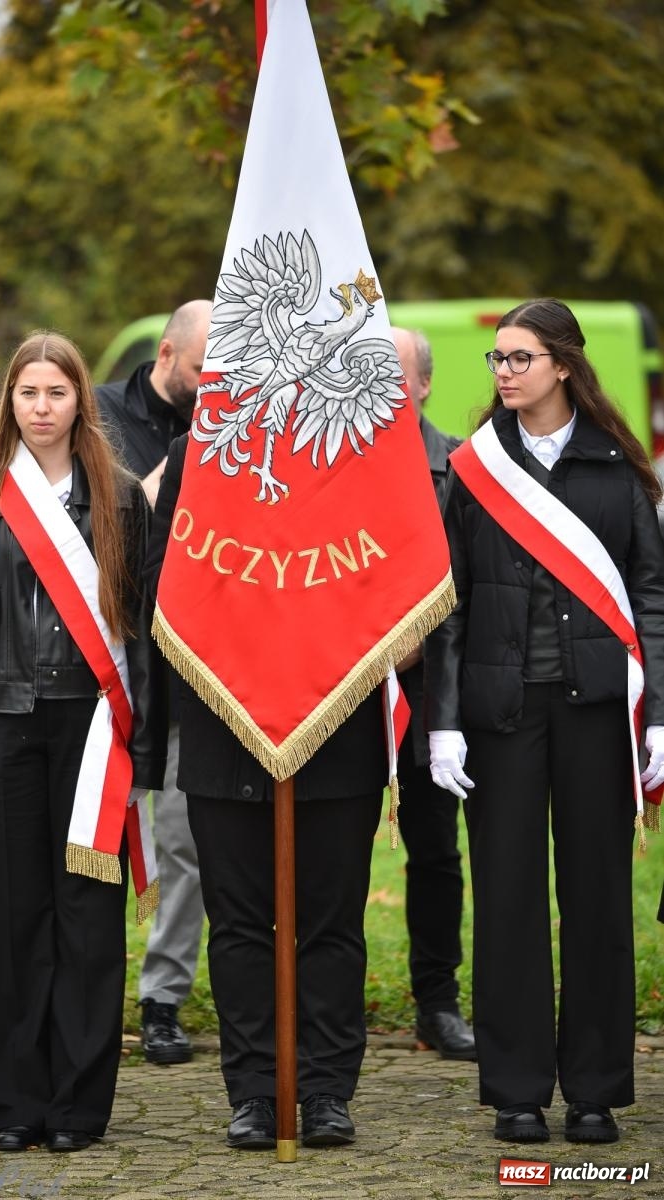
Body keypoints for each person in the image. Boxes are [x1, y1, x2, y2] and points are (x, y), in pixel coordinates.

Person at [424, 298, 664, 1145]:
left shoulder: (615, 468)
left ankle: (594, 1091)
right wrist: (442, 720)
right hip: (500, 715)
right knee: (507, 901)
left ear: (562, 364)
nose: (503, 372)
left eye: (519, 357)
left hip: (596, 711)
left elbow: (651, 596)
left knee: (597, 899)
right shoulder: (473, 469)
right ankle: (516, 1090)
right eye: (496, 359)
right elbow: (447, 605)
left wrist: (658, 715)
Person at [0, 331, 167, 1152]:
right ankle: (15, 1104)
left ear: (79, 401)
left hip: (93, 731)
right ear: (10, 401)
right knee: (10, 916)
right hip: (1, 728)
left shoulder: (121, 499)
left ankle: (77, 1107)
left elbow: (144, 634)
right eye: (27, 393)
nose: (41, 408)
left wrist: (145, 753)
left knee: (87, 918)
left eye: (56, 393)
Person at [145, 432, 388, 1150]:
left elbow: (389, 570)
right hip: (226, 724)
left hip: (335, 723)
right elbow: (162, 581)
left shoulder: (356, 449)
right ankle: (253, 1089)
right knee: (240, 924)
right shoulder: (200, 451)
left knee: (331, 922)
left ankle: (325, 1088)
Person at [97, 299, 212, 1065]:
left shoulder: (229, 424)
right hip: (103, 667)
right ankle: (84, 996)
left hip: (182, 674)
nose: (214, 386)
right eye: (203, 370)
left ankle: (162, 996)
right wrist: (166, 475)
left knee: (185, 846)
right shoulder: (98, 415)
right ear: (166, 354)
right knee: (93, 842)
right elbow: (85, 529)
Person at [390, 328, 475, 1063]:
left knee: (436, 854)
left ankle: (437, 1004)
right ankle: (318, 1006)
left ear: (422, 385)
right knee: (327, 857)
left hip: (429, 694)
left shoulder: (459, 468)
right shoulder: (323, 464)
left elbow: (469, 588)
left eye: (393, 373)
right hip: (338, 693)